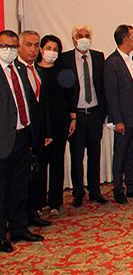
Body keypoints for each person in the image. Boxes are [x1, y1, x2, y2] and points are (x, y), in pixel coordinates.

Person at [0, 29, 44, 252]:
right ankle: (1, 235)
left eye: (13, 46)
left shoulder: (19, 69)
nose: (9, 50)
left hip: (23, 135)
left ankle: (19, 228)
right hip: (3, 140)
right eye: (4, 46)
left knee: (20, 187)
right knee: (2, 191)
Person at [58, 24, 107, 207]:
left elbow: (102, 86)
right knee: (77, 157)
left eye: (87, 35)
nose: (84, 38)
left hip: (94, 114)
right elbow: (63, 89)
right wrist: (69, 116)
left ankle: (95, 190)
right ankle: (78, 192)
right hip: (76, 116)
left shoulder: (98, 57)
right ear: (74, 39)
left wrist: (103, 114)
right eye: (80, 36)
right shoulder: (65, 59)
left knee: (95, 155)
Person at [103, 25, 133, 204]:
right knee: (120, 154)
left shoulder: (132, 58)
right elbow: (111, 95)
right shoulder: (112, 63)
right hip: (124, 117)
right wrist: (117, 120)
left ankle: (132, 186)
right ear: (126, 39)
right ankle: (118, 189)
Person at [17, 31, 50, 228]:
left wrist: (47, 132)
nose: (33, 49)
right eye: (29, 44)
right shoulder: (15, 71)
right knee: (21, 179)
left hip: (38, 133)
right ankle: (19, 219)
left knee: (36, 174)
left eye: (36, 45)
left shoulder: (39, 70)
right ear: (19, 47)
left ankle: (33, 212)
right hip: (22, 133)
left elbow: (43, 105)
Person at [37, 35, 71, 214]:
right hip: (41, 124)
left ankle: (55, 202)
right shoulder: (34, 70)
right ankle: (38, 202)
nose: (52, 52)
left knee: (57, 162)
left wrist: (72, 119)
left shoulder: (62, 71)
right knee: (41, 163)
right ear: (41, 50)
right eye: (49, 48)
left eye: (55, 49)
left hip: (60, 122)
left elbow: (69, 96)